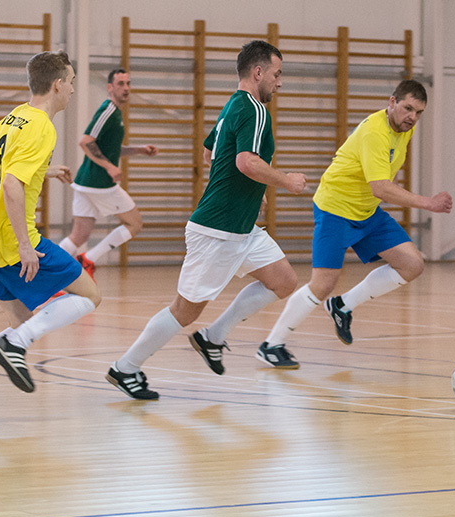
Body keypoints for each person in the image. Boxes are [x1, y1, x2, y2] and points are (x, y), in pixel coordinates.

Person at [105, 40, 307, 400]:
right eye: (277, 74)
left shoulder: (232, 104)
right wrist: (285, 180)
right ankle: (126, 368)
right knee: (184, 311)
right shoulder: (255, 110)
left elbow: (210, 149)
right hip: (217, 231)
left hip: (241, 228)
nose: (280, 82)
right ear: (258, 72)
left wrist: (250, 190)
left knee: (284, 281)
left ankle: (213, 337)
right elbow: (246, 161)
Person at [0, 50, 101, 426]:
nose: (74, 90)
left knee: (24, 322)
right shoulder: (43, 126)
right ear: (58, 84)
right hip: (10, 241)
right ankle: (14, 346)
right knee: (90, 295)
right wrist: (26, 246)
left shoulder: (10, 119)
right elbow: (12, 183)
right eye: (73, 82)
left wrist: (44, 170)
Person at [258, 79, 452, 362]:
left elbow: (385, 177)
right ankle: (271, 345)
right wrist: (429, 203)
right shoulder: (376, 132)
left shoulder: (404, 130)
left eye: (419, 112)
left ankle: (342, 306)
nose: (412, 117)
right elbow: (382, 188)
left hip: (366, 211)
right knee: (323, 284)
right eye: (408, 108)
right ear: (392, 102)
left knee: (412, 264)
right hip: (336, 209)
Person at [57, 68, 159, 279]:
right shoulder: (108, 111)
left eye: (128, 83)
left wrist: (139, 149)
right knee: (135, 223)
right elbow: (86, 142)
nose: (126, 88)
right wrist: (110, 167)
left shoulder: (115, 113)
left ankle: (47, 273)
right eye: (121, 84)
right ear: (110, 87)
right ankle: (89, 260)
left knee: (78, 236)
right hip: (100, 184)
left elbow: (109, 149)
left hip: (85, 182)